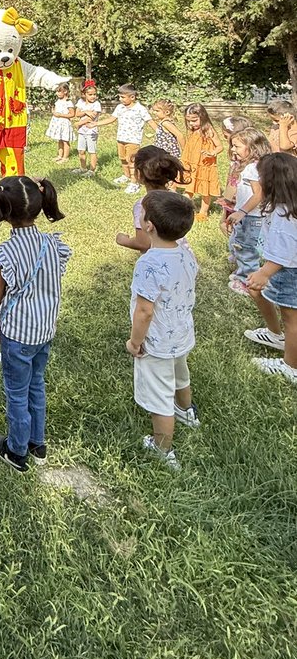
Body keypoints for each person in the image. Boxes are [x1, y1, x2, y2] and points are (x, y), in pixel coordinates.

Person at [0, 175, 70, 473]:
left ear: (4, 212)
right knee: (37, 383)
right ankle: (38, 442)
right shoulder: (52, 244)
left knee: (16, 392)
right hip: (44, 330)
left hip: (18, 334)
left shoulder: (5, 253)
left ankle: (17, 450)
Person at [126, 190, 199, 471]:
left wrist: (135, 342)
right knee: (181, 374)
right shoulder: (186, 253)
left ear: (149, 226)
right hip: (181, 332)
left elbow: (144, 311)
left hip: (155, 341)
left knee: (159, 395)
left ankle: (162, 447)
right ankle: (187, 411)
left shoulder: (149, 263)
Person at [244, 152, 297, 384]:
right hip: (284, 269)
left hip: (288, 272)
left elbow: (284, 254)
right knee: (256, 291)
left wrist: (264, 272)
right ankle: (276, 336)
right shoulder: (284, 206)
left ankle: (291, 366)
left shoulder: (284, 215)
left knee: (292, 320)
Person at [225, 128, 273, 296]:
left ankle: (248, 282)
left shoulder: (251, 168)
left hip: (251, 217)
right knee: (246, 246)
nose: (233, 149)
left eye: (237, 146)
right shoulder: (262, 165)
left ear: (252, 148)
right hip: (258, 216)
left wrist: (242, 211)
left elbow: (258, 194)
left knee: (246, 249)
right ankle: (247, 274)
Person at [116, 146, 187, 254]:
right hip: (181, 255)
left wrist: (122, 240)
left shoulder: (143, 205)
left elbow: (143, 243)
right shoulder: (175, 197)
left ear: (138, 174)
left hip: (158, 262)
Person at [93, 84, 152, 192]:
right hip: (121, 138)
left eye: (123, 97)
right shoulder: (120, 107)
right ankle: (126, 175)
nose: (120, 99)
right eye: (119, 97)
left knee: (132, 162)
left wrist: (161, 131)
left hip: (133, 140)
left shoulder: (140, 109)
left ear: (132, 97)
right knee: (123, 159)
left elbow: (150, 121)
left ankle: (134, 183)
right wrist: (95, 124)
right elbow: (111, 119)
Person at [181, 103, 222, 220]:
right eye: (188, 121)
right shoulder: (192, 130)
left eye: (194, 120)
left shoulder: (208, 130)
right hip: (192, 164)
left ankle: (203, 212)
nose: (191, 124)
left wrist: (212, 153)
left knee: (205, 190)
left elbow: (219, 147)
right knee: (189, 187)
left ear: (202, 117)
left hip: (205, 164)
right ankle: (184, 210)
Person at [73, 80, 101, 176]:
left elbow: (91, 117)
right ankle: (83, 168)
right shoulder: (81, 102)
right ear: (84, 94)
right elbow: (77, 113)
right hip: (82, 131)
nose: (93, 96)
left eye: (94, 94)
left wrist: (79, 123)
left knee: (92, 151)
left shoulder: (96, 104)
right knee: (81, 150)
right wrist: (85, 111)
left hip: (91, 131)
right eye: (90, 94)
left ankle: (92, 170)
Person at [45, 83, 74, 164]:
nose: (57, 93)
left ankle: (65, 157)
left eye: (59, 91)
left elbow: (72, 114)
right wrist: (53, 112)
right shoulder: (58, 101)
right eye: (57, 92)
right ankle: (60, 155)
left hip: (64, 123)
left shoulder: (68, 102)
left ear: (65, 91)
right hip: (58, 123)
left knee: (65, 140)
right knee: (60, 140)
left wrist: (60, 115)